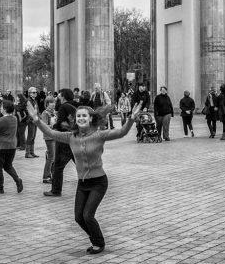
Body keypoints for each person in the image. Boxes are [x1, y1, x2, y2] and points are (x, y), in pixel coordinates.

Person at [29, 98, 143, 254]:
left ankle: (99, 243)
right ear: (75, 120)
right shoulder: (70, 137)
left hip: (98, 182)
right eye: (78, 116)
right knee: (78, 217)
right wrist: (36, 120)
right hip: (82, 183)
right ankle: (96, 239)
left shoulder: (99, 135)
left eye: (84, 116)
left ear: (90, 119)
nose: (81, 118)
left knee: (88, 215)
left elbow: (121, 132)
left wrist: (131, 119)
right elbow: (50, 132)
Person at [44, 89, 78, 197]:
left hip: (64, 138)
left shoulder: (64, 107)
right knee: (79, 162)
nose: (58, 97)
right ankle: (92, 181)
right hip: (75, 137)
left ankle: (56, 190)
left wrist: (54, 125)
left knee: (58, 166)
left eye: (60, 95)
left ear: (63, 96)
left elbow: (60, 124)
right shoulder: (77, 105)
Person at [0, 100, 23, 194]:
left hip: (1, 146)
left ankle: (0, 187)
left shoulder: (3, 120)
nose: (0, 108)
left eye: (1, 107)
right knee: (8, 166)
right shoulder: (14, 118)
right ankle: (17, 180)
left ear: (4, 109)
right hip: (12, 146)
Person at [40, 96, 57, 184]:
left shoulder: (54, 112)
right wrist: (53, 125)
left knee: (53, 157)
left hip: (55, 136)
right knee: (51, 157)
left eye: (54, 102)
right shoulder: (45, 113)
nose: (53, 104)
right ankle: (46, 177)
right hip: (49, 137)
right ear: (47, 104)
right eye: (51, 102)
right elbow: (44, 126)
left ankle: (52, 175)